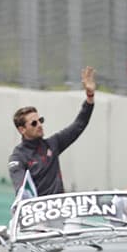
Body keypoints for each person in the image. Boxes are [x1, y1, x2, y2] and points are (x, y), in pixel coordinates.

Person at [8, 66, 97, 195]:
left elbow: (79, 125)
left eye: (40, 120)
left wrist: (90, 97)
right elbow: (22, 191)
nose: (39, 125)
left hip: (61, 208)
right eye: (34, 123)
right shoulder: (18, 157)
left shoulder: (53, 144)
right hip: (38, 211)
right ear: (22, 129)